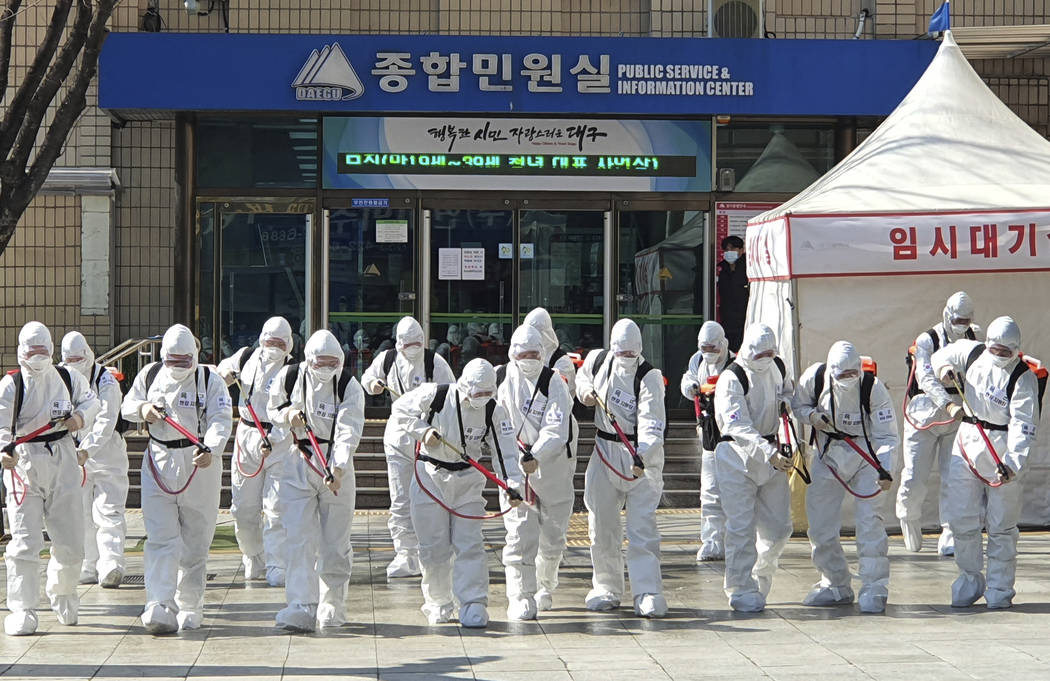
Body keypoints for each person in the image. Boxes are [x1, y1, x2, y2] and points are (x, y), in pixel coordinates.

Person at [390, 358, 523, 628]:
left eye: (487, 393)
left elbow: (505, 450)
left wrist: (512, 483)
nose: (482, 398)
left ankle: (473, 602)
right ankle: (438, 601)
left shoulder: (493, 410)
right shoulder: (436, 395)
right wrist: (423, 431)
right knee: (433, 547)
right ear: (465, 386)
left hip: (468, 482)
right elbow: (399, 409)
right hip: (430, 478)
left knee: (470, 543)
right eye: (477, 393)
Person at [121, 324, 232, 633]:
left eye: (185, 361)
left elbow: (221, 420)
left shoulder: (210, 380)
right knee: (160, 537)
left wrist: (210, 448)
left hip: (199, 463)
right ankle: (159, 602)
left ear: (195, 356)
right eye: (173, 361)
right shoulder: (150, 375)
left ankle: (191, 603)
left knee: (197, 539)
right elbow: (127, 405)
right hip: (158, 460)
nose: (178, 367)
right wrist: (144, 409)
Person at [928, 317, 1038, 609]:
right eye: (996, 349)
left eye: (1007, 352)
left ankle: (1000, 589)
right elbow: (938, 356)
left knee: (1001, 525)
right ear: (987, 343)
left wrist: (1012, 463)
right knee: (962, 519)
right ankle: (969, 578)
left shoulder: (1022, 378)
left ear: (1016, 350)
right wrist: (945, 370)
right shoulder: (972, 352)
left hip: (1002, 450)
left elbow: (1024, 425)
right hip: (968, 439)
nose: (1000, 356)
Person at [0, 322, 99, 636]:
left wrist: (80, 418)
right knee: (24, 543)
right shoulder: (11, 385)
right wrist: (5, 452)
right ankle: (23, 608)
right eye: (33, 352)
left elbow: (91, 401)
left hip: (63, 457)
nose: (38, 356)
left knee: (71, 542)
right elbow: (2, 427)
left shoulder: (69, 378)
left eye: (43, 351)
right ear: (21, 352)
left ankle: (63, 589)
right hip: (24, 463)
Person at [267, 330, 364, 632]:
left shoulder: (349, 386)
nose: (325, 368)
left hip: (334, 464)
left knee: (335, 540)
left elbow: (349, 430)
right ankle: (301, 605)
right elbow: (273, 408)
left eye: (331, 363)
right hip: (299, 460)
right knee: (299, 538)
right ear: (308, 360)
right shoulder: (289, 376)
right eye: (319, 363)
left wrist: (338, 468)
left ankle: (333, 601)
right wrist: (289, 416)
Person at [792, 341, 898, 613]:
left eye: (853, 373)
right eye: (842, 375)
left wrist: (886, 469)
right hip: (828, 455)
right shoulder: (814, 379)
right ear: (831, 370)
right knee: (820, 523)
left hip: (866, 455)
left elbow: (887, 435)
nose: (849, 379)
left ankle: (875, 588)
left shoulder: (872, 388)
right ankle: (835, 583)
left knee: (870, 523)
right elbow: (798, 405)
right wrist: (812, 417)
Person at [576, 318, 667, 618]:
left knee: (641, 529)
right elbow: (582, 379)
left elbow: (653, 422)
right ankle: (606, 586)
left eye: (631, 353)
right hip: (604, 452)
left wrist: (643, 454)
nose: (626, 358)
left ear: (639, 349)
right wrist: (585, 392)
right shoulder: (598, 360)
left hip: (639, 458)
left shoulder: (649, 376)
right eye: (621, 353)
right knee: (601, 525)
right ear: (612, 348)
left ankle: (647, 591)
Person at [361, 316, 455, 579]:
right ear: (399, 342)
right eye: (407, 343)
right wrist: (373, 385)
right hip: (398, 436)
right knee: (400, 498)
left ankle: (434, 552)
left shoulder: (434, 361)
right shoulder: (387, 359)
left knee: (431, 496)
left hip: (427, 438)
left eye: (416, 343)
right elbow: (367, 376)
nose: (411, 348)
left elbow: (451, 393)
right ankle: (405, 554)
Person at [713, 323, 794, 613]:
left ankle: (761, 576)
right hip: (737, 458)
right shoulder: (731, 378)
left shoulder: (777, 366)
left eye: (770, 353)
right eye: (761, 353)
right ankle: (739, 587)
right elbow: (737, 425)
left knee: (780, 527)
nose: (766, 358)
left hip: (772, 453)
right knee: (740, 527)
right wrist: (767, 452)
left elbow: (787, 391)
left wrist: (785, 404)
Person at [496, 325, 574, 618]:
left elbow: (557, 426)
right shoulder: (501, 377)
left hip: (551, 468)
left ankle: (545, 585)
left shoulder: (554, 382)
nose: (528, 359)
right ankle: (519, 595)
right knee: (518, 533)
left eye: (534, 354)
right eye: (523, 354)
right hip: (514, 467)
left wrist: (537, 454)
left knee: (553, 536)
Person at [896, 292, 980, 556]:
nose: (961, 324)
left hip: (956, 419)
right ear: (947, 315)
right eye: (957, 319)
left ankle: (950, 532)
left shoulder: (973, 338)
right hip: (925, 415)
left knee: (954, 477)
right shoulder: (927, 340)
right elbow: (925, 377)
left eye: (966, 320)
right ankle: (908, 516)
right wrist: (947, 403)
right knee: (915, 476)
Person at [216, 316, 295, 587]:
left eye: (279, 343)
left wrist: (273, 438)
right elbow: (218, 376)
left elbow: (294, 411)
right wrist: (225, 376)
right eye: (269, 341)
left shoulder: (294, 371)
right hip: (247, 435)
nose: (273, 347)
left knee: (276, 508)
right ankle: (253, 555)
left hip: (279, 441)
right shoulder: (246, 357)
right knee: (243, 508)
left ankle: (277, 563)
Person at [61, 332, 129, 589]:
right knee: (80, 513)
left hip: (106, 454)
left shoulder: (106, 380)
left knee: (108, 510)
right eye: (69, 360)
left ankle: (111, 563)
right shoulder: (61, 378)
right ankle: (88, 565)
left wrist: (87, 449)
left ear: (88, 355)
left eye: (78, 358)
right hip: (74, 454)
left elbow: (107, 419)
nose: (75, 364)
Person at [680, 321, 734, 562]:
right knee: (710, 490)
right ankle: (712, 541)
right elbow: (688, 378)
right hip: (709, 431)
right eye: (705, 348)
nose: (709, 353)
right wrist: (690, 387)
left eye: (713, 349)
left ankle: (736, 539)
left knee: (736, 490)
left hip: (733, 435)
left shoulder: (735, 365)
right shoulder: (697, 360)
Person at [716, 235, 749, 352]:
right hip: (726, 320)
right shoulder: (720, 269)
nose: (729, 252)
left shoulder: (748, 268)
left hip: (744, 319)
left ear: (741, 250)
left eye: (733, 249)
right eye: (726, 250)